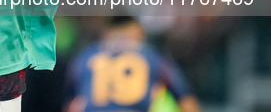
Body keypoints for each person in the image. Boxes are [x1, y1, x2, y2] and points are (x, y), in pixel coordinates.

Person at [63, 16, 201, 112]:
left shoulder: (84, 57)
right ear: (137, 31)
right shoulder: (152, 56)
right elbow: (186, 100)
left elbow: (72, 104)